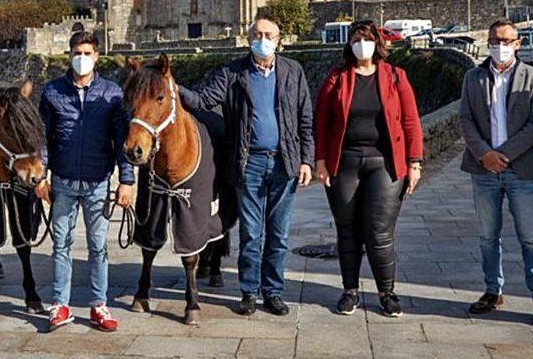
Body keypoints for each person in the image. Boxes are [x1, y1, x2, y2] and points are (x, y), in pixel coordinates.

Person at [178, 17, 314, 316]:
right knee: (251, 233)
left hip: (284, 161)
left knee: (278, 234)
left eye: (268, 34)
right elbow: (203, 99)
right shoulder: (233, 73)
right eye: (257, 34)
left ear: (279, 40)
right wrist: (174, 89)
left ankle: (274, 292)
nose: (262, 39)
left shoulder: (293, 71)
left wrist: (307, 159)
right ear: (248, 38)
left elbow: (305, 118)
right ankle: (249, 292)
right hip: (248, 161)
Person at [314, 21, 423, 317]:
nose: (362, 44)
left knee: (379, 233)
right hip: (344, 163)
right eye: (357, 39)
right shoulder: (337, 77)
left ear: (378, 44)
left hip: (384, 165)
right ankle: (350, 291)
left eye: (367, 39)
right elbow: (321, 121)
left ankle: (387, 292)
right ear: (349, 45)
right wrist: (321, 161)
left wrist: (414, 162)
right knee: (347, 231)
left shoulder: (396, 77)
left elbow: (411, 122)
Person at [36, 31, 135, 332]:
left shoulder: (112, 93)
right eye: (77, 53)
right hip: (63, 182)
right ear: (69, 55)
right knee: (61, 246)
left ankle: (98, 306)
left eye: (87, 53)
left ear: (97, 56)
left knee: (98, 247)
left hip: (98, 183)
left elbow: (121, 141)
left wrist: (126, 181)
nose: (82, 59)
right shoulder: (52, 92)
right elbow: (42, 140)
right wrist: (41, 175)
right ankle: (59, 306)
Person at [458, 21, 533, 326]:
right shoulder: (473, 77)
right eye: (495, 40)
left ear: (518, 43)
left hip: (521, 169)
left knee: (530, 237)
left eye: (507, 40)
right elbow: (465, 119)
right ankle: (492, 290)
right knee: (488, 236)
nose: (500, 45)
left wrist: (505, 154)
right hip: (483, 169)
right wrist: (484, 154)